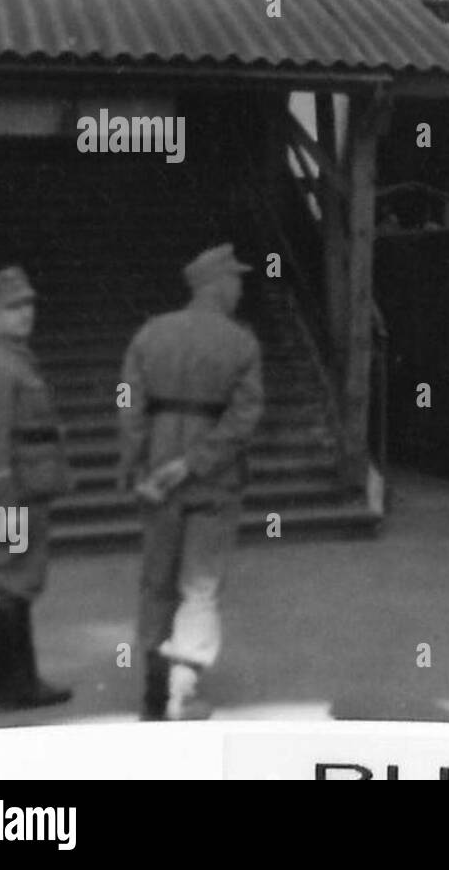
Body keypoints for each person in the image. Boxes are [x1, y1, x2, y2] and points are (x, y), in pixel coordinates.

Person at [119, 244, 264, 721]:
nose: (241, 287)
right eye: (237, 279)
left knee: (155, 580)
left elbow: (129, 405)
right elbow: (245, 418)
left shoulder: (149, 334)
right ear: (217, 285)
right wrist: (195, 462)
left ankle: (152, 692)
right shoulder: (241, 342)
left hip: (156, 481)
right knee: (199, 587)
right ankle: (184, 692)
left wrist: (136, 466)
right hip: (213, 484)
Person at [0, 266, 73, 711]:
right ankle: (16, 686)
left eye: (28, 304)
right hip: (11, 492)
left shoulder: (11, 359)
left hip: (11, 490)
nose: (25, 313)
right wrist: (6, 505)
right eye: (13, 307)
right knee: (14, 583)